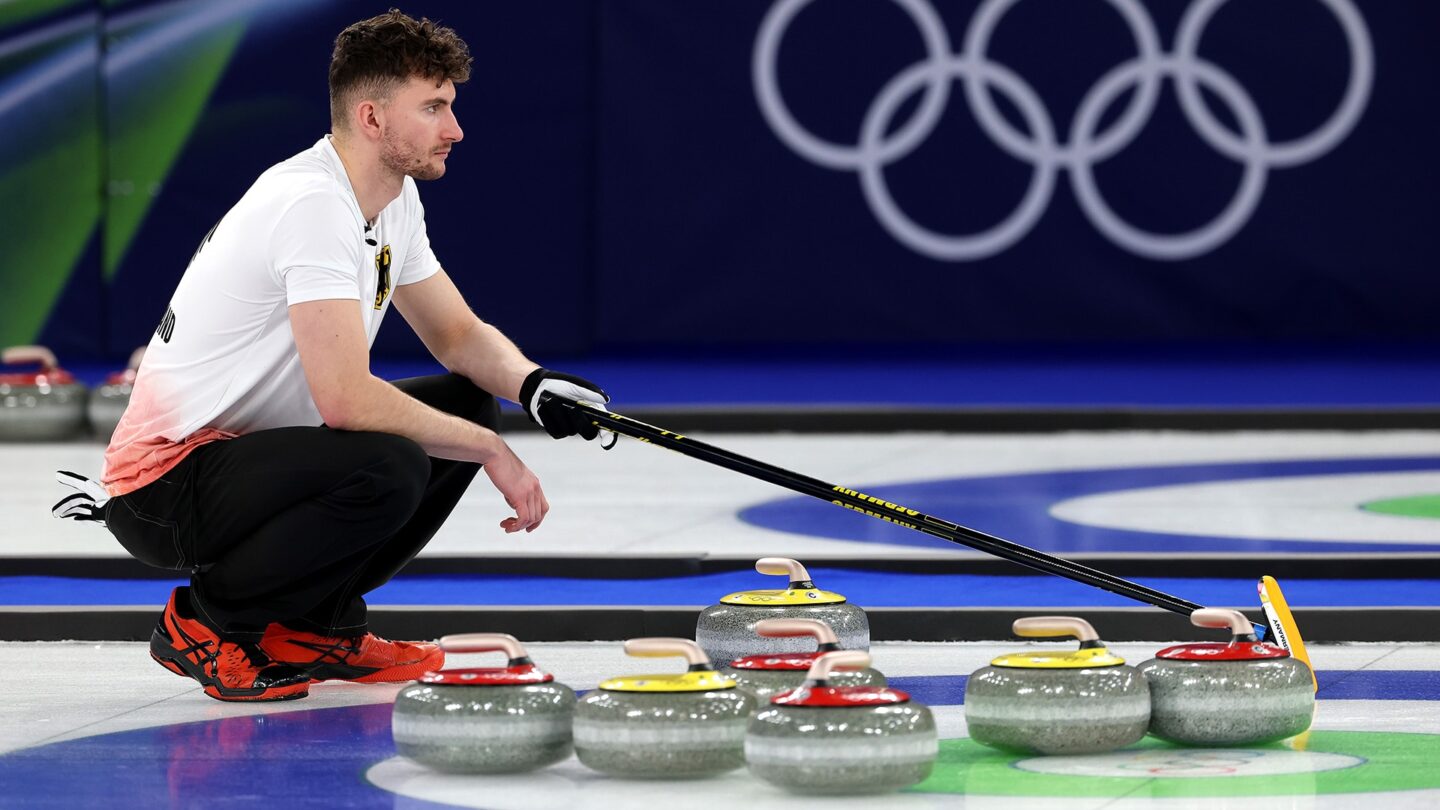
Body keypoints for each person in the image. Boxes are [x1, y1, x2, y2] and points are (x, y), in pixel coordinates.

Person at [58, 9, 611, 702]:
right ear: (373, 118)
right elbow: (345, 401)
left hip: (247, 463)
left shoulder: (392, 198)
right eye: (434, 107)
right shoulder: (312, 203)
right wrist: (493, 452)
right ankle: (206, 623)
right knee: (390, 461)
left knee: (465, 400)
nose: (455, 128)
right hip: (163, 489)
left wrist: (532, 386)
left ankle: (311, 627)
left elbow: (457, 336)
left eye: (451, 106)